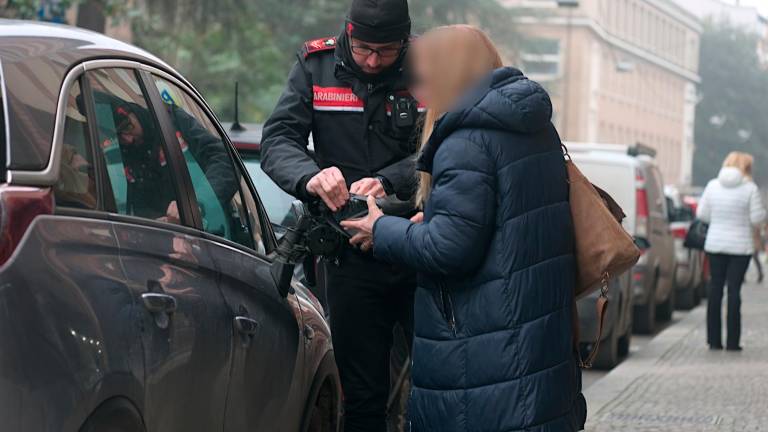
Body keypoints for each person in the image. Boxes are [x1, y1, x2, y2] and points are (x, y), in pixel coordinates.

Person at [342, 25, 587, 431]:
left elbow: (451, 249)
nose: (417, 92)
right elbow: (503, 226)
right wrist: (435, 221)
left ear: (445, 73)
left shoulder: (466, 141)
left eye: (420, 78)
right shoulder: (530, 127)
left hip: (487, 358)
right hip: (533, 343)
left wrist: (381, 229)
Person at [259, 1, 420, 430]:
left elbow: (447, 147)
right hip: (348, 254)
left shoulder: (427, 68)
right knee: (361, 395)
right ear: (347, 31)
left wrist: (390, 181)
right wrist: (310, 176)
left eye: (385, 51)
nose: (372, 60)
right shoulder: (317, 65)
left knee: (435, 382)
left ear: (405, 40)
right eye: (364, 47)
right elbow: (277, 140)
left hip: (418, 247)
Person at [107, 96, 238, 223]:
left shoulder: (171, 121)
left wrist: (197, 202)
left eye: (129, 127)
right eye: (120, 137)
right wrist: (156, 221)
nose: (128, 139)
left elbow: (226, 160)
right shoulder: (126, 156)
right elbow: (135, 204)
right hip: (162, 236)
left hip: (211, 228)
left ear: (136, 114)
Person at [697, 152, 767, 351]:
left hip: (715, 244)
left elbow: (702, 214)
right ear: (746, 168)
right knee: (734, 290)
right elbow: (756, 219)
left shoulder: (712, 186)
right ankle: (733, 342)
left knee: (715, 289)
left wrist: (719, 221)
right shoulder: (750, 189)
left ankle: (713, 340)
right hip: (740, 247)